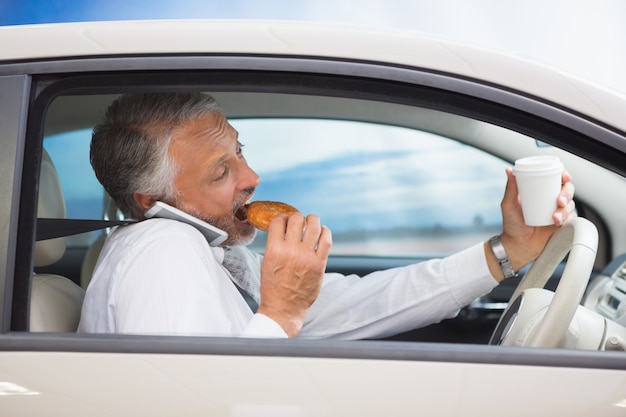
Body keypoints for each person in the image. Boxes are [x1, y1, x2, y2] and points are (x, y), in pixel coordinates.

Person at [77, 92, 576, 339]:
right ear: (150, 200)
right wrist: (281, 313)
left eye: (241, 152)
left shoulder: (216, 251)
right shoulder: (162, 249)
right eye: (220, 171)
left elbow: (354, 303)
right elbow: (198, 403)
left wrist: (507, 252)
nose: (252, 176)